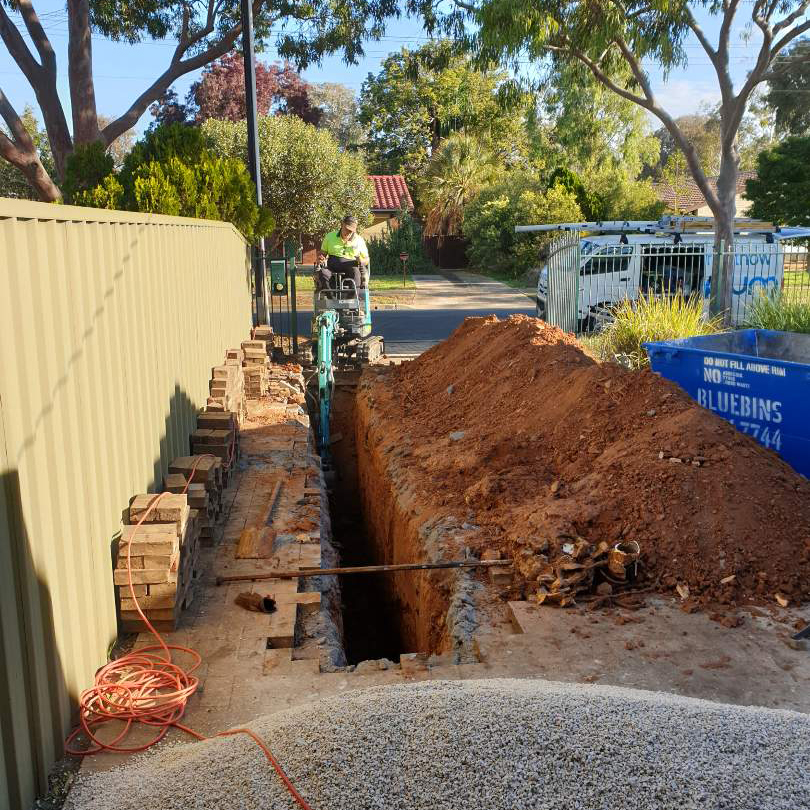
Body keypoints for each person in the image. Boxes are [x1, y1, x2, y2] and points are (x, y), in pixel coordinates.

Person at [317, 215, 370, 292]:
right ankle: (332, 299)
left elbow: (367, 259)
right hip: (332, 267)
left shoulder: (359, 240)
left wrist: (361, 261)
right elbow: (322, 253)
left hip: (351, 267)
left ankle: (352, 300)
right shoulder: (330, 236)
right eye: (347, 229)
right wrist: (320, 258)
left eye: (351, 231)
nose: (349, 232)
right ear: (342, 224)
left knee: (356, 272)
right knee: (323, 273)